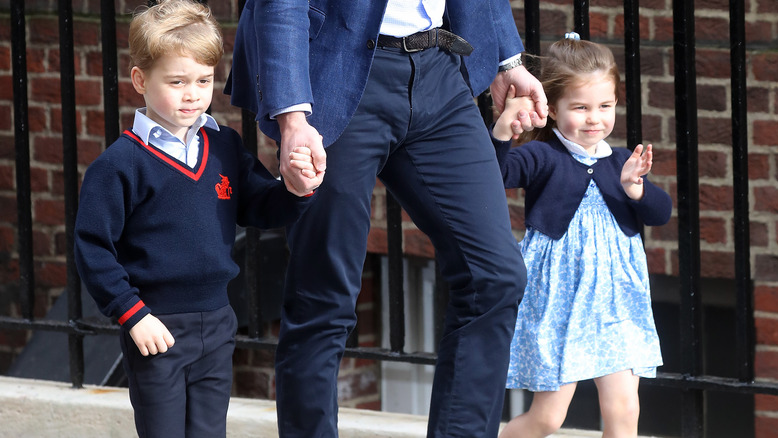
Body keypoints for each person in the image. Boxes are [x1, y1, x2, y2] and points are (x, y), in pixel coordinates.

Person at [226, 1, 548, 437]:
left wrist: (507, 59)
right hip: (334, 71)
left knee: (495, 276)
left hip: (439, 72)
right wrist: (292, 118)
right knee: (323, 297)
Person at [73, 1, 320, 436]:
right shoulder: (120, 165)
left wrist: (295, 190)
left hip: (218, 321)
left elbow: (260, 205)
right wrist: (132, 313)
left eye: (204, 80)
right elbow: (92, 248)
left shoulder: (224, 145)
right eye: (177, 81)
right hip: (156, 326)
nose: (192, 93)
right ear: (140, 80)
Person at [490, 33, 673, 438]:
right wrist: (502, 133)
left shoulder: (623, 161)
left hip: (616, 301)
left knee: (625, 411)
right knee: (548, 418)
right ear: (552, 109)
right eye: (580, 107)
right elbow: (495, 176)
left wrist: (635, 190)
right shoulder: (542, 156)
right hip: (561, 301)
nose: (595, 118)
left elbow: (661, 214)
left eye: (605, 106)